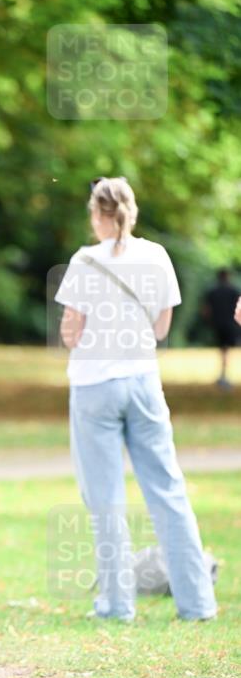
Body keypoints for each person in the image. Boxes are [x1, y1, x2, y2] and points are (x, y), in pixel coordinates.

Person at [54, 176, 216, 624]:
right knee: (168, 491)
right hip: (144, 382)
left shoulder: (85, 260)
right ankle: (197, 603)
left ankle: (117, 604)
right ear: (132, 211)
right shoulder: (157, 256)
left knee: (105, 498)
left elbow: (71, 332)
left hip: (94, 387)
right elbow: (162, 329)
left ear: (97, 214)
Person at [201, 268, 240, 389]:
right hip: (229, 324)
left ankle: (223, 376)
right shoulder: (233, 291)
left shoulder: (212, 291)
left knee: (223, 349)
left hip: (218, 325)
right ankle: (224, 376)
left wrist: (210, 322)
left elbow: (206, 311)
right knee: (226, 350)